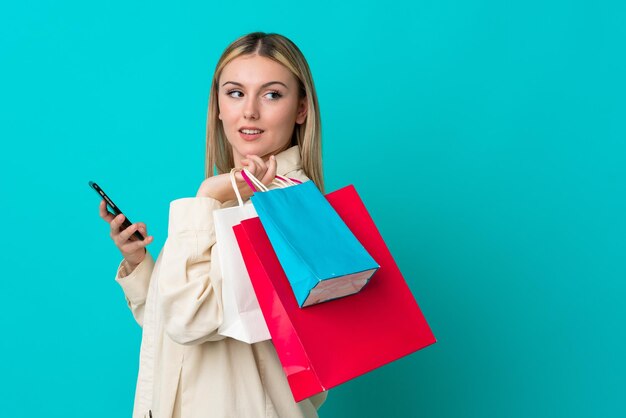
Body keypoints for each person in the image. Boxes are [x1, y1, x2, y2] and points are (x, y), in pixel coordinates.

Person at [98, 32, 328, 418]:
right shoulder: (235, 196)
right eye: (235, 93)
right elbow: (176, 331)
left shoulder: (282, 208)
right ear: (218, 105)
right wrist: (140, 265)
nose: (249, 111)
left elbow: (189, 320)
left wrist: (204, 197)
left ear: (301, 108)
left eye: (272, 94)